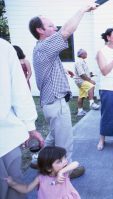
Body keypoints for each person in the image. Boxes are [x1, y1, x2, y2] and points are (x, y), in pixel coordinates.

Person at [28, 3, 98, 176]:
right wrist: (83, 9)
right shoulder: (45, 46)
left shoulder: (41, 49)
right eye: (50, 26)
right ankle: (65, 171)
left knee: (53, 137)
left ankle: (39, 160)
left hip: (50, 103)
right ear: (40, 30)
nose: (55, 28)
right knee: (64, 142)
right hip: (56, 103)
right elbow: (66, 31)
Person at [0, 38, 44, 199]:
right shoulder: (4, 48)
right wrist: (29, 126)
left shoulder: (4, 48)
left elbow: (20, 88)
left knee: (13, 185)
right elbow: (19, 92)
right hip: (6, 136)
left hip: (6, 137)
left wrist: (29, 126)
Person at [6, 146, 81, 199]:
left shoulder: (64, 172)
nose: (65, 161)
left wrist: (61, 171)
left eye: (65, 157)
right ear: (48, 168)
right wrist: (13, 184)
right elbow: (27, 188)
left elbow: (76, 163)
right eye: (59, 161)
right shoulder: (40, 178)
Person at [74, 49, 100, 117]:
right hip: (80, 80)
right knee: (91, 85)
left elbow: (84, 73)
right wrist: (90, 80)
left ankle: (80, 111)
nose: (87, 54)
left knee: (81, 96)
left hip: (82, 80)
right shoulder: (79, 62)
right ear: (81, 54)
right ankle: (91, 103)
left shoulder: (82, 62)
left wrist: (90, 75)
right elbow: (82, 74)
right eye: (85, 53)